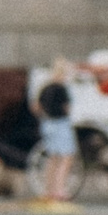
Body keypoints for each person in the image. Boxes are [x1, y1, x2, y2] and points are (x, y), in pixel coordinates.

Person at [36, 71, 76, 202]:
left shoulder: (45, 88)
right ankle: (60, 189)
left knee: (52, 157)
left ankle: (49, 189)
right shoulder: (62, 89)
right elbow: (67, 108)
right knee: (66, 157)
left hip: (47, 123)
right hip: (60, 123)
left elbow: (36, 107)